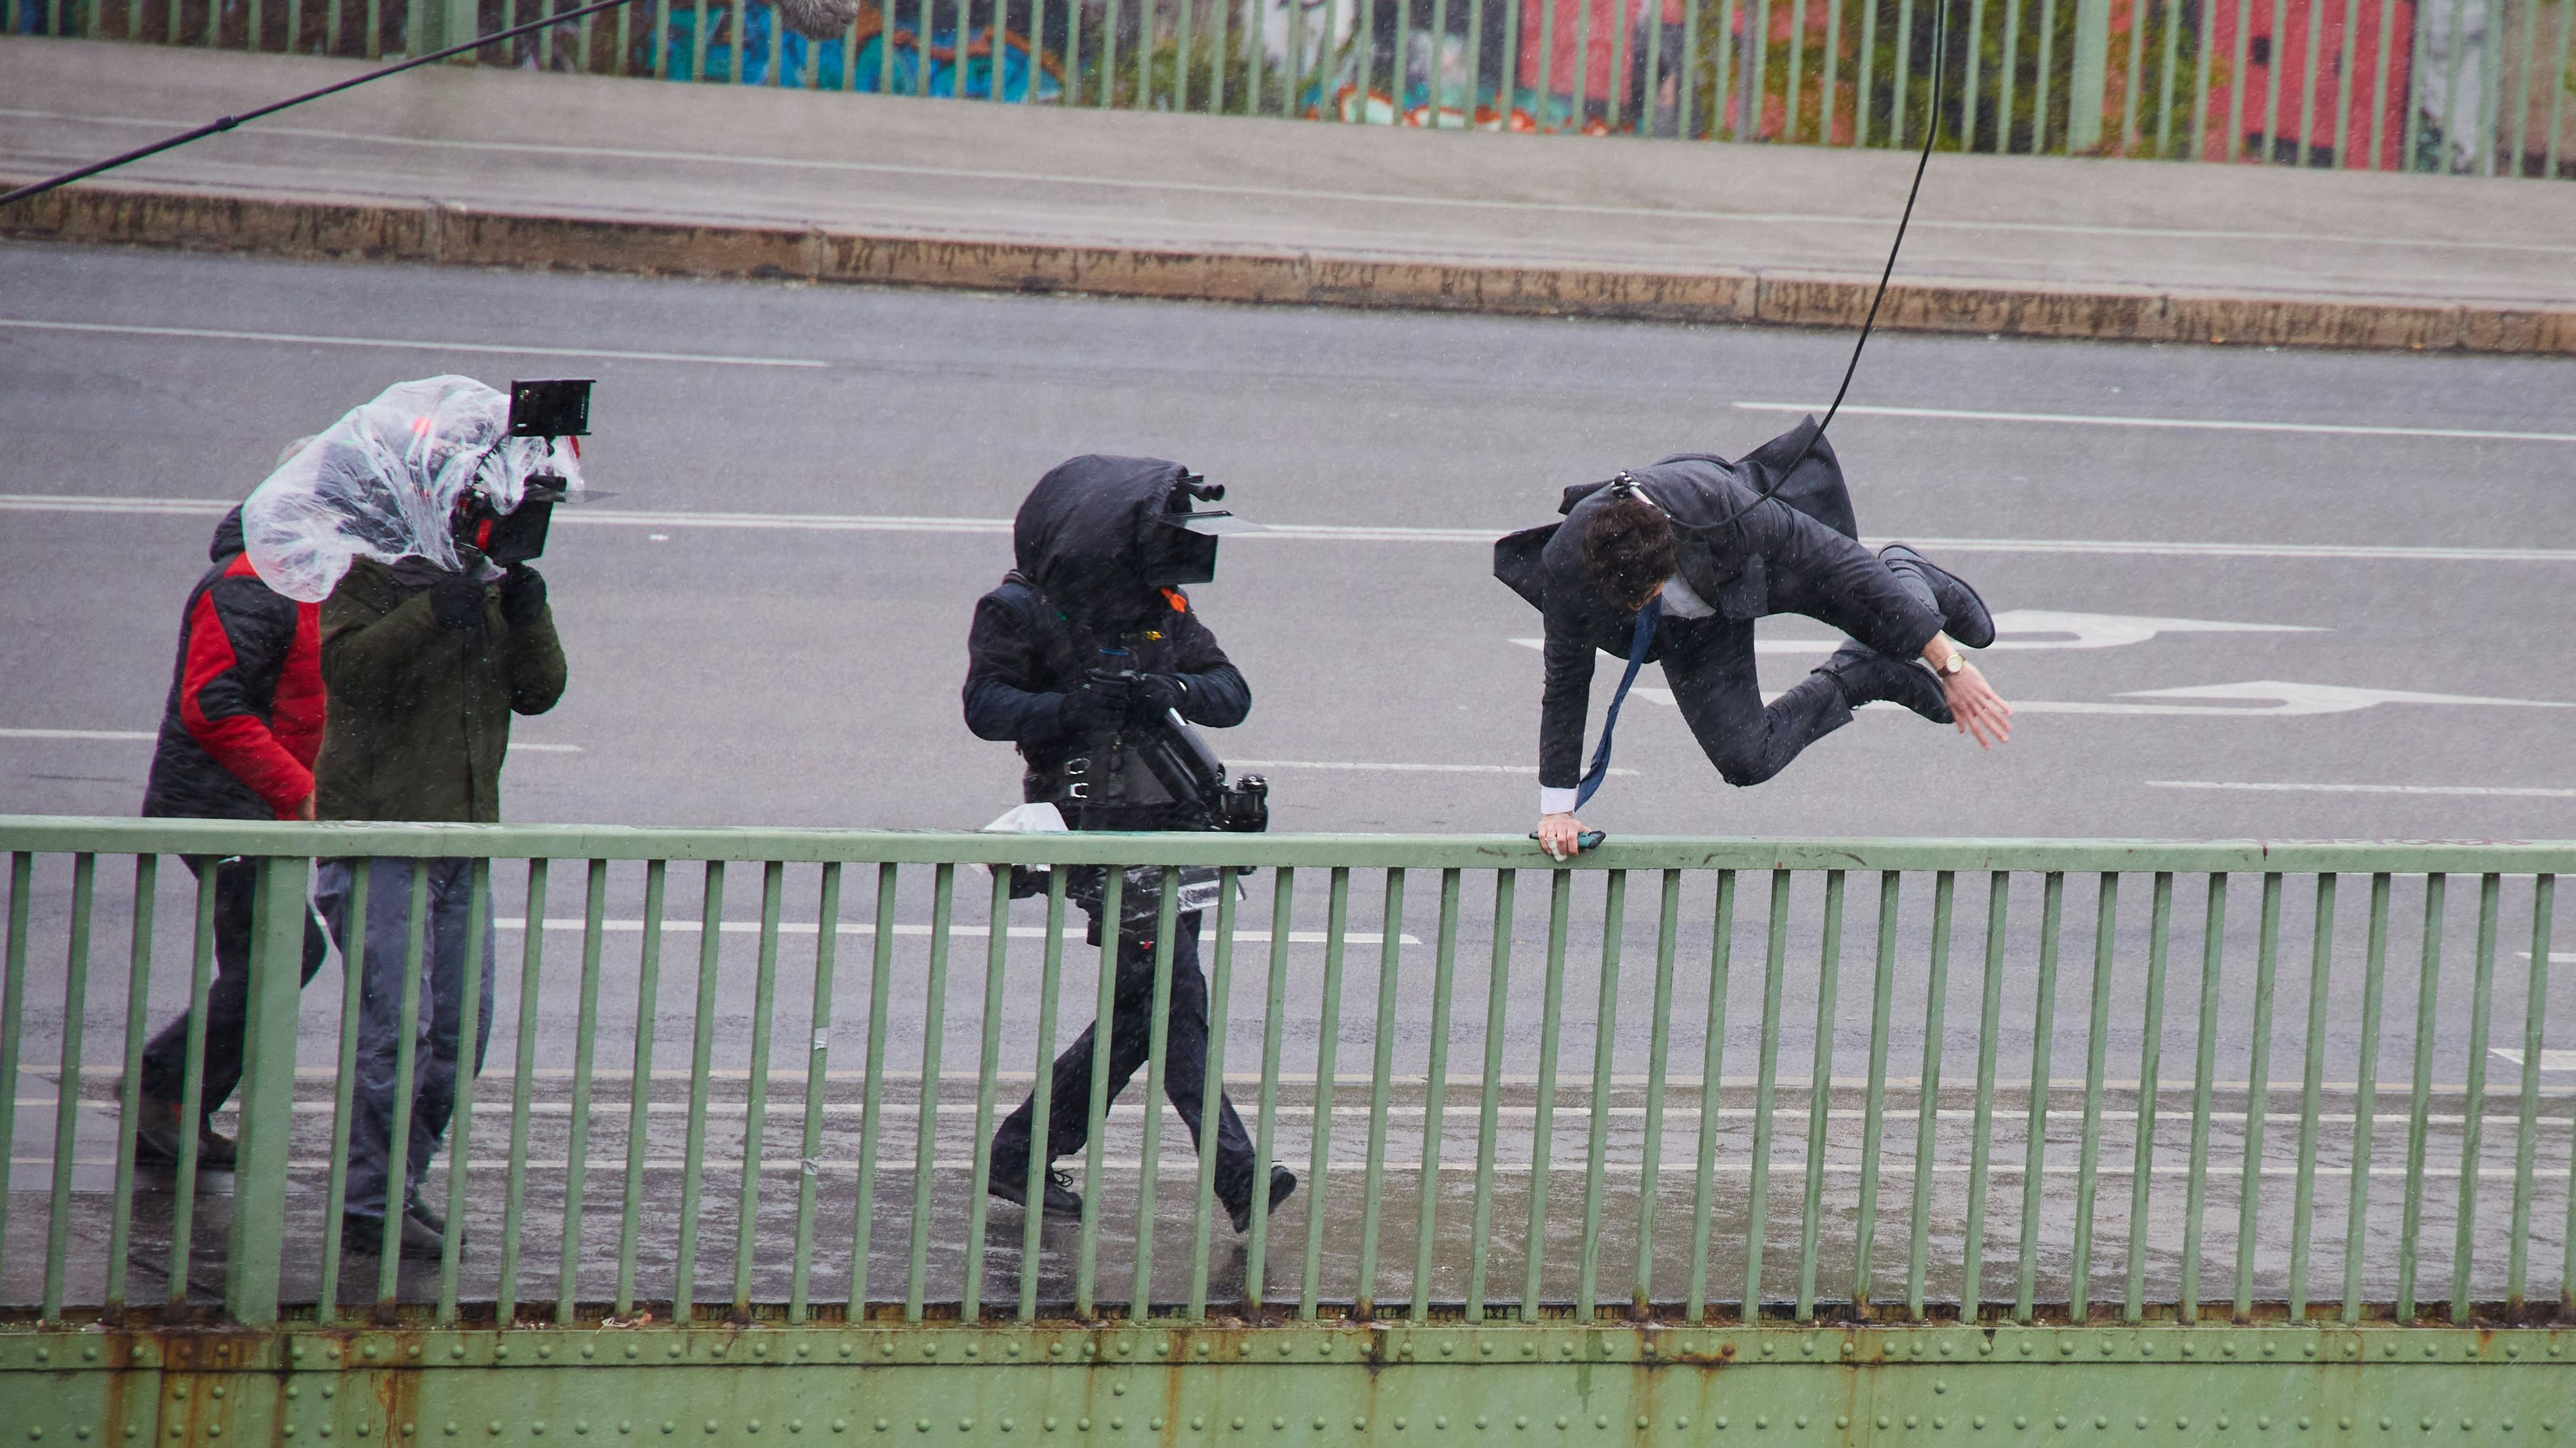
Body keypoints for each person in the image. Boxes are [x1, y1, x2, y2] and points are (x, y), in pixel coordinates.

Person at [242, 375, 576, 1261]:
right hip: (382, 836)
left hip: (462, 834)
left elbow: (539, 691)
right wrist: (432, 609)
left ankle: (399, 1183)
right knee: (398, 1032)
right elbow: (351, 676)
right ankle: (368, 1202)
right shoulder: (370, 572)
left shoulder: (488, 581)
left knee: (460, 1035)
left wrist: (528, 609)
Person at [964, 455, 1296, 1234]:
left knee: (1144, 1010)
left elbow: (1231, 692)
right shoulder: (1018, 608)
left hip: (1179, 829)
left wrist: (1168, 690)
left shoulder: (1161, 604)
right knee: (1173, 999)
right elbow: (985, 705)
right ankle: (1238, 1174)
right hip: (1097, 836)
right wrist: (1071, 709)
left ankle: (1019, 1153)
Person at [1493, 418, 2012, 859]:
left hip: (1757, 567)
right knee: (1745, 758)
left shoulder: (1716, 504)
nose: (1636, 608)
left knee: (1902, 625)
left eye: (1647, 594)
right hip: (1690, 629)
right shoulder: (1567, 564)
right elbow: (1566, 681)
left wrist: (1950, 664)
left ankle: (1907, 568)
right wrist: (1557, 808)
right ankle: (1857, 674)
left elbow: (1838, 561)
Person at [130, 467, 334, 1170]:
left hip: (248, 803)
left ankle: (177, 1110)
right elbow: (213, 704)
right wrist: (293, 784)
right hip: (220, 802)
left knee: (262, 956)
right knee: (286, 952)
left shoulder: (291, 579)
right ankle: (164, 1088)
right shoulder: (250, 582)